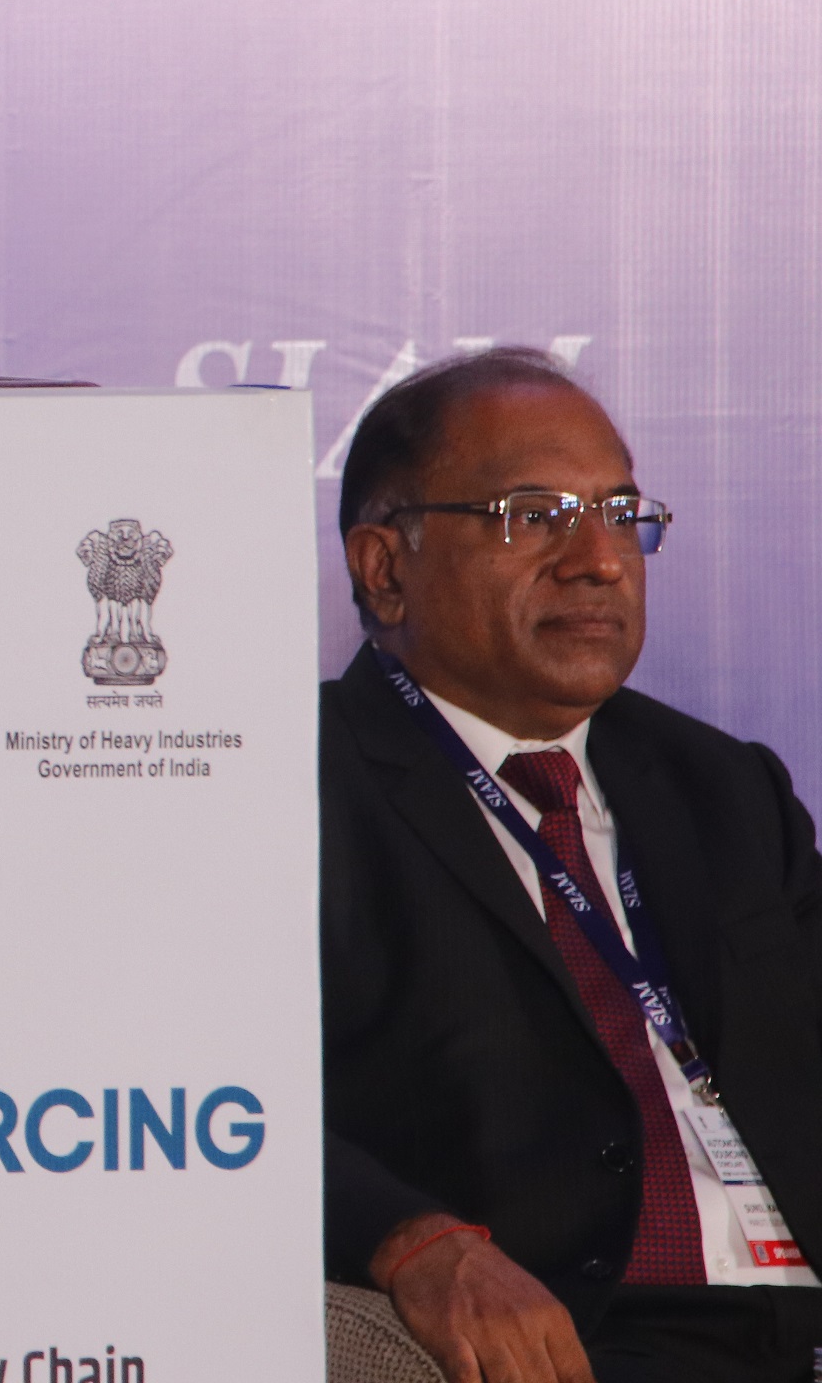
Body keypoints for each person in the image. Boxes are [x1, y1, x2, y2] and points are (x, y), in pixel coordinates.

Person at [326, 347, 822, 1382]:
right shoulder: (296, 785)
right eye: (534, 515)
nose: (599, 559)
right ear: (385, 568)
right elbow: (207, 1099)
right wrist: (406, 1237)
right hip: (563, 1336)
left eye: (620, 513)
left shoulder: (725, 788)